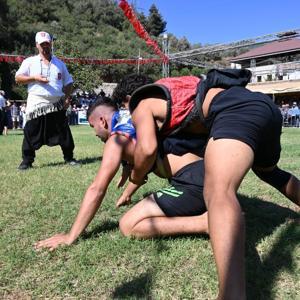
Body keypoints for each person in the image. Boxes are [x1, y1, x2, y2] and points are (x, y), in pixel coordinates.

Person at [124, 69, 300, 300]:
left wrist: (135, 177)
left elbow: (146, 150)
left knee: (218, 191)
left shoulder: (141, 105)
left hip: (234, 110)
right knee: (269, 172)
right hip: (263, 108)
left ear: (128, 101)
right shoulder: (174, 92)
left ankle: (231, 295)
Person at [34, 96, 209, 251]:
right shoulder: (135, 119)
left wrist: (70, 236)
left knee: (128, 225)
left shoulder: (116, 139)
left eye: (92, 126)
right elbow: (143, 165)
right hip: (205, 173)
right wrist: (127, 193)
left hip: (193, 184)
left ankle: (205, 223)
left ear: (102, 121)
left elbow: (97, 189)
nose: (95, 134)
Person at [15, 31, 78, 170]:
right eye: (42, 44)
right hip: (36, 101)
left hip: (56, 102)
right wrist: (34, 78)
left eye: (47, 44)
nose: (45, 47)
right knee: (31, 130)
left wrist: (67, 98)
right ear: (37, 45)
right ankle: (27, 161)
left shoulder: (60, 64)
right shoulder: (29, 62)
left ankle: (69, 157)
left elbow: (69, 82)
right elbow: (18, 78)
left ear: (51, 44)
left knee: (63, 130)